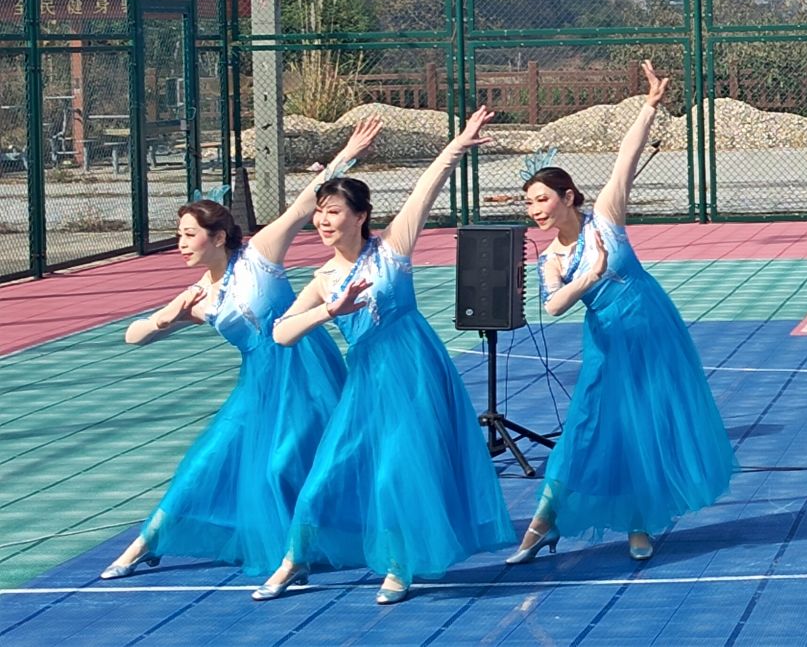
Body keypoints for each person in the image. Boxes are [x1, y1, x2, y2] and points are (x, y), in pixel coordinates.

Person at [253, 107, 515, 605]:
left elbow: (426, 188)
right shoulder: (323, 280)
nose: (323, 220)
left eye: (334, 212)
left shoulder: (392, 250)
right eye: (320, 211)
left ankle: (399, 565)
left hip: (415, 374)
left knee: (396, 474)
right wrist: (328, 312)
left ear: (360, 216)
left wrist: (458, 144)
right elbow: (282, 333)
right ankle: (294, 560)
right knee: (324, 475)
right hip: (366, 383)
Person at [98, 121, 376, 579]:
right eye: (179, 235)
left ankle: (300, 551)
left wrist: (348, 153)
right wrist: (165, 320)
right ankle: (147, 542)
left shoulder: (260, 255)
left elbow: (304, 204)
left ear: (219, 236)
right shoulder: (199, 295)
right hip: (258, 385)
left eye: (189, 234)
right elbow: (134, 335)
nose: (181, 244)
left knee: (287, 463)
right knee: (205, 462)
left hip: (306, 371)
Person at [506, 60, 734, 564]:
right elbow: (554, 305)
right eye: (528, 203)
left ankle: (638, 521)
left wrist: (649, 107)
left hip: (653, 333)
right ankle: (543, 520)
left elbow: (625, 160)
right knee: (585, 430)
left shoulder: (606, 219)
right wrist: (587, 278)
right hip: (607, 345)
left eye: (542, 199)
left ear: (568, 197)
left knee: (644, 428)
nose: (535, 209)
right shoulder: (551, 258)